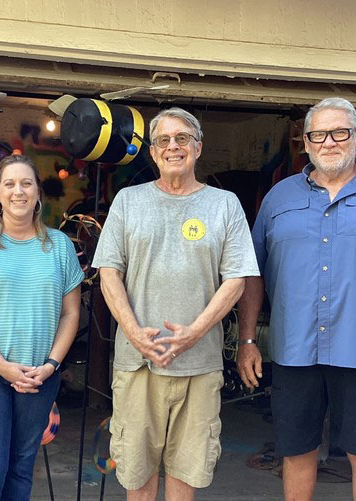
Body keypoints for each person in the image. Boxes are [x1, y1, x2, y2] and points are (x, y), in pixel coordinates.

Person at [237, 97, 356, 501]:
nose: (329, 142)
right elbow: (251, 274)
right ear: (305, 142)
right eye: (318, 135)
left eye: (339, 132)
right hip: (294, 352)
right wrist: (247, 340)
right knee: (296, 453)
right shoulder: (278, 199)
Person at [92, 108, 260, 501]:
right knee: (137, 472)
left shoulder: (225, 204)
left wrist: (195, 332)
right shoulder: (128, 201)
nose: (173, 147)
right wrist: (134, 332)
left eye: (182, 138)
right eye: (163, 140)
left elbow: (236, 279)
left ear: (198, 147)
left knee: (188, 471)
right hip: (137, 362)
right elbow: (108, 273)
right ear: (153, 152)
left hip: (199, 364)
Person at [0, 154, 83, 500]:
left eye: (26, 183)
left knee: (22, 468)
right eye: (9, 184)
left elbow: (71, 314)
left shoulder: (60, 246)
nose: (18, 191)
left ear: (38, 194)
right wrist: (4, 367)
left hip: (38, 375)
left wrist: (51, 365)